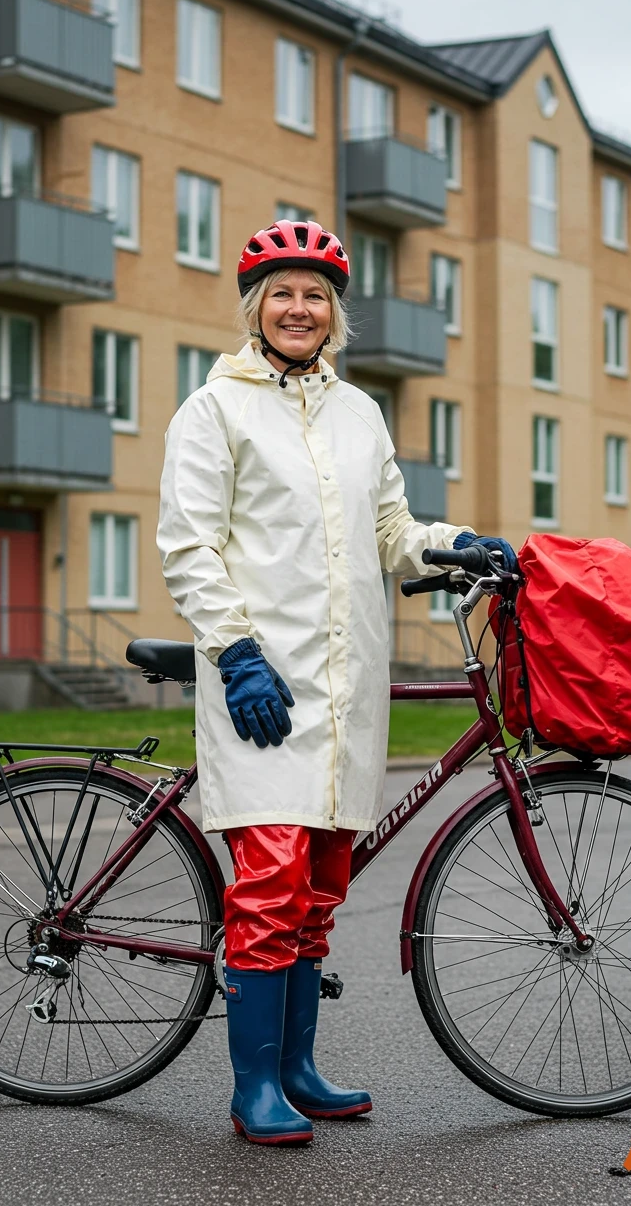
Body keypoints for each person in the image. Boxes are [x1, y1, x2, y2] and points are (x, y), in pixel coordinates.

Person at [157, 218, 516, 1145]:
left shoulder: (359, 413)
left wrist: (456, 543)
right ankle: (252, 1091)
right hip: (261, 684)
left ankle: (298, 1068)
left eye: (315, 295)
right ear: (255, 308)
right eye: (282, 292)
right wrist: (234, 652)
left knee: (318, 890)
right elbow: (189, 545)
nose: (299, 308)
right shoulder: (215, 409)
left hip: (346, 686)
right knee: (270, 888)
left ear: (334, 314)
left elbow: (392, 534)